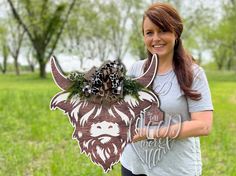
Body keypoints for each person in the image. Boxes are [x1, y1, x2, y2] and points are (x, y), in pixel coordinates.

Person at [120, 2, 213, 176]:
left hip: (174, 170)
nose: (155, 38)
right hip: (133, 164)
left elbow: (203, 126)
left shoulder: (194, 74)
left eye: (162, 30)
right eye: (149, 33)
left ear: (176, 33)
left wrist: (150, 133)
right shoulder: (136, 69)